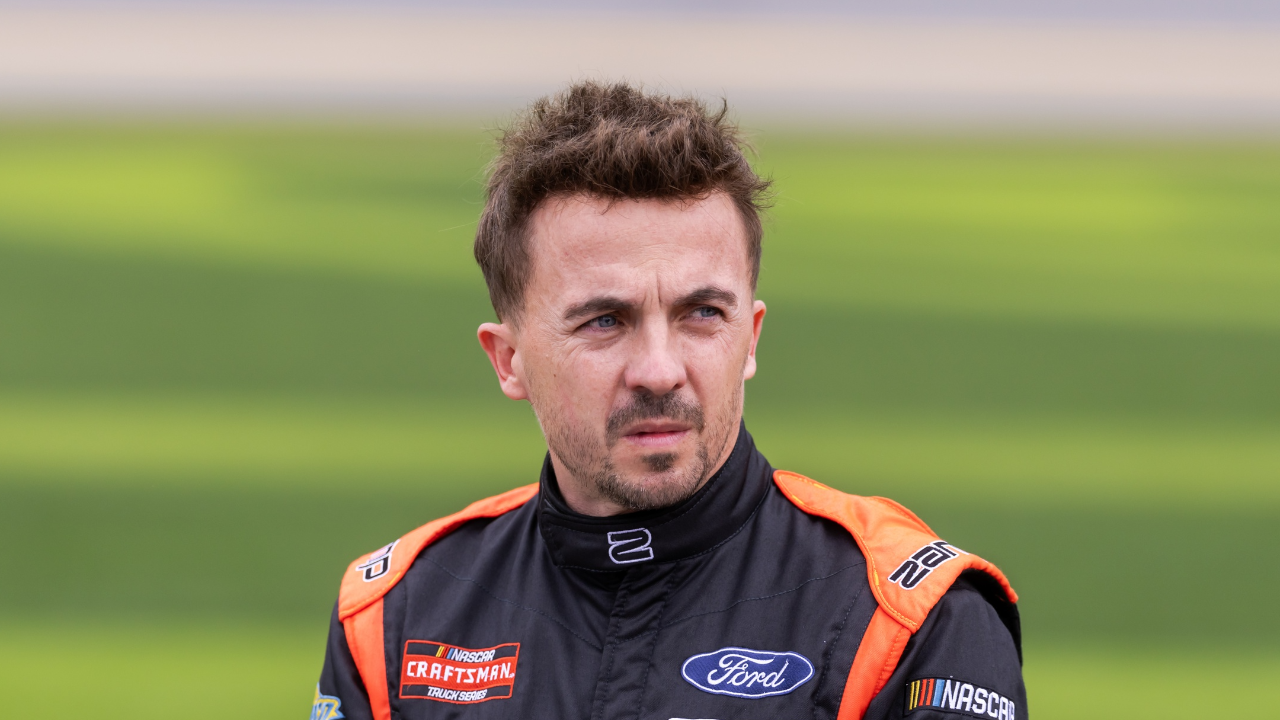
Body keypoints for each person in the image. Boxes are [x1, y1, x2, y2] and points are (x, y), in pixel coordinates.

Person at [314, 81, 1025, 720]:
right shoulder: (395, 616)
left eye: (701, 314)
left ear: (750, 339)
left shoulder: (910, 619)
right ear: (509, 360)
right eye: (604, 321)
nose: (659, 372)